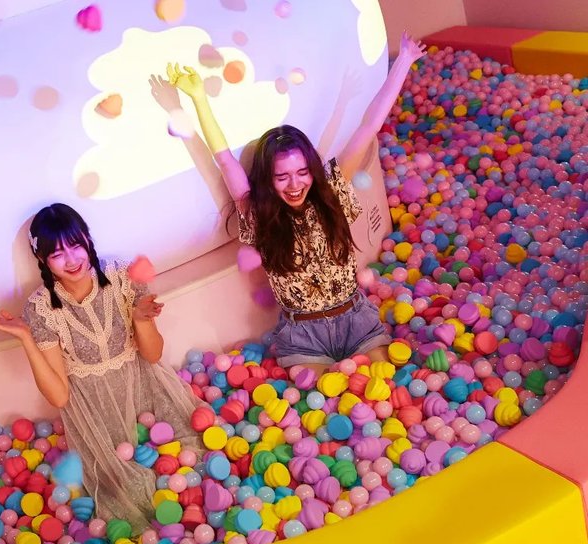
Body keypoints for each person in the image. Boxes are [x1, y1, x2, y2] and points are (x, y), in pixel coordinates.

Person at [166, 32, 427, 374]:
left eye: (302, 172)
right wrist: (198, 98)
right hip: (302, 333)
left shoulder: (332, 191)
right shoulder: (257, 213)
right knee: (319, 408)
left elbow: (369, 126)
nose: (295, 184)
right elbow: (225, 160)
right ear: (268, 180)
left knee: (382, 383)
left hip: (354, 318)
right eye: (282, 176)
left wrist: (403, 61)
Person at [0, 203, 205, 532]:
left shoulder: (121, 277)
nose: (72, 260)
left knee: (191, 456)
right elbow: (59, 397)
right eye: (57, 254)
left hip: (146, 386)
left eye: (76, 245)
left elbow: (153, 355)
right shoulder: (41, 309)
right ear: (42, 260)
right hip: (95, 410)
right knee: (128, 493)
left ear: (87, 239)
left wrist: (141, 320)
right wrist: (25, 339)